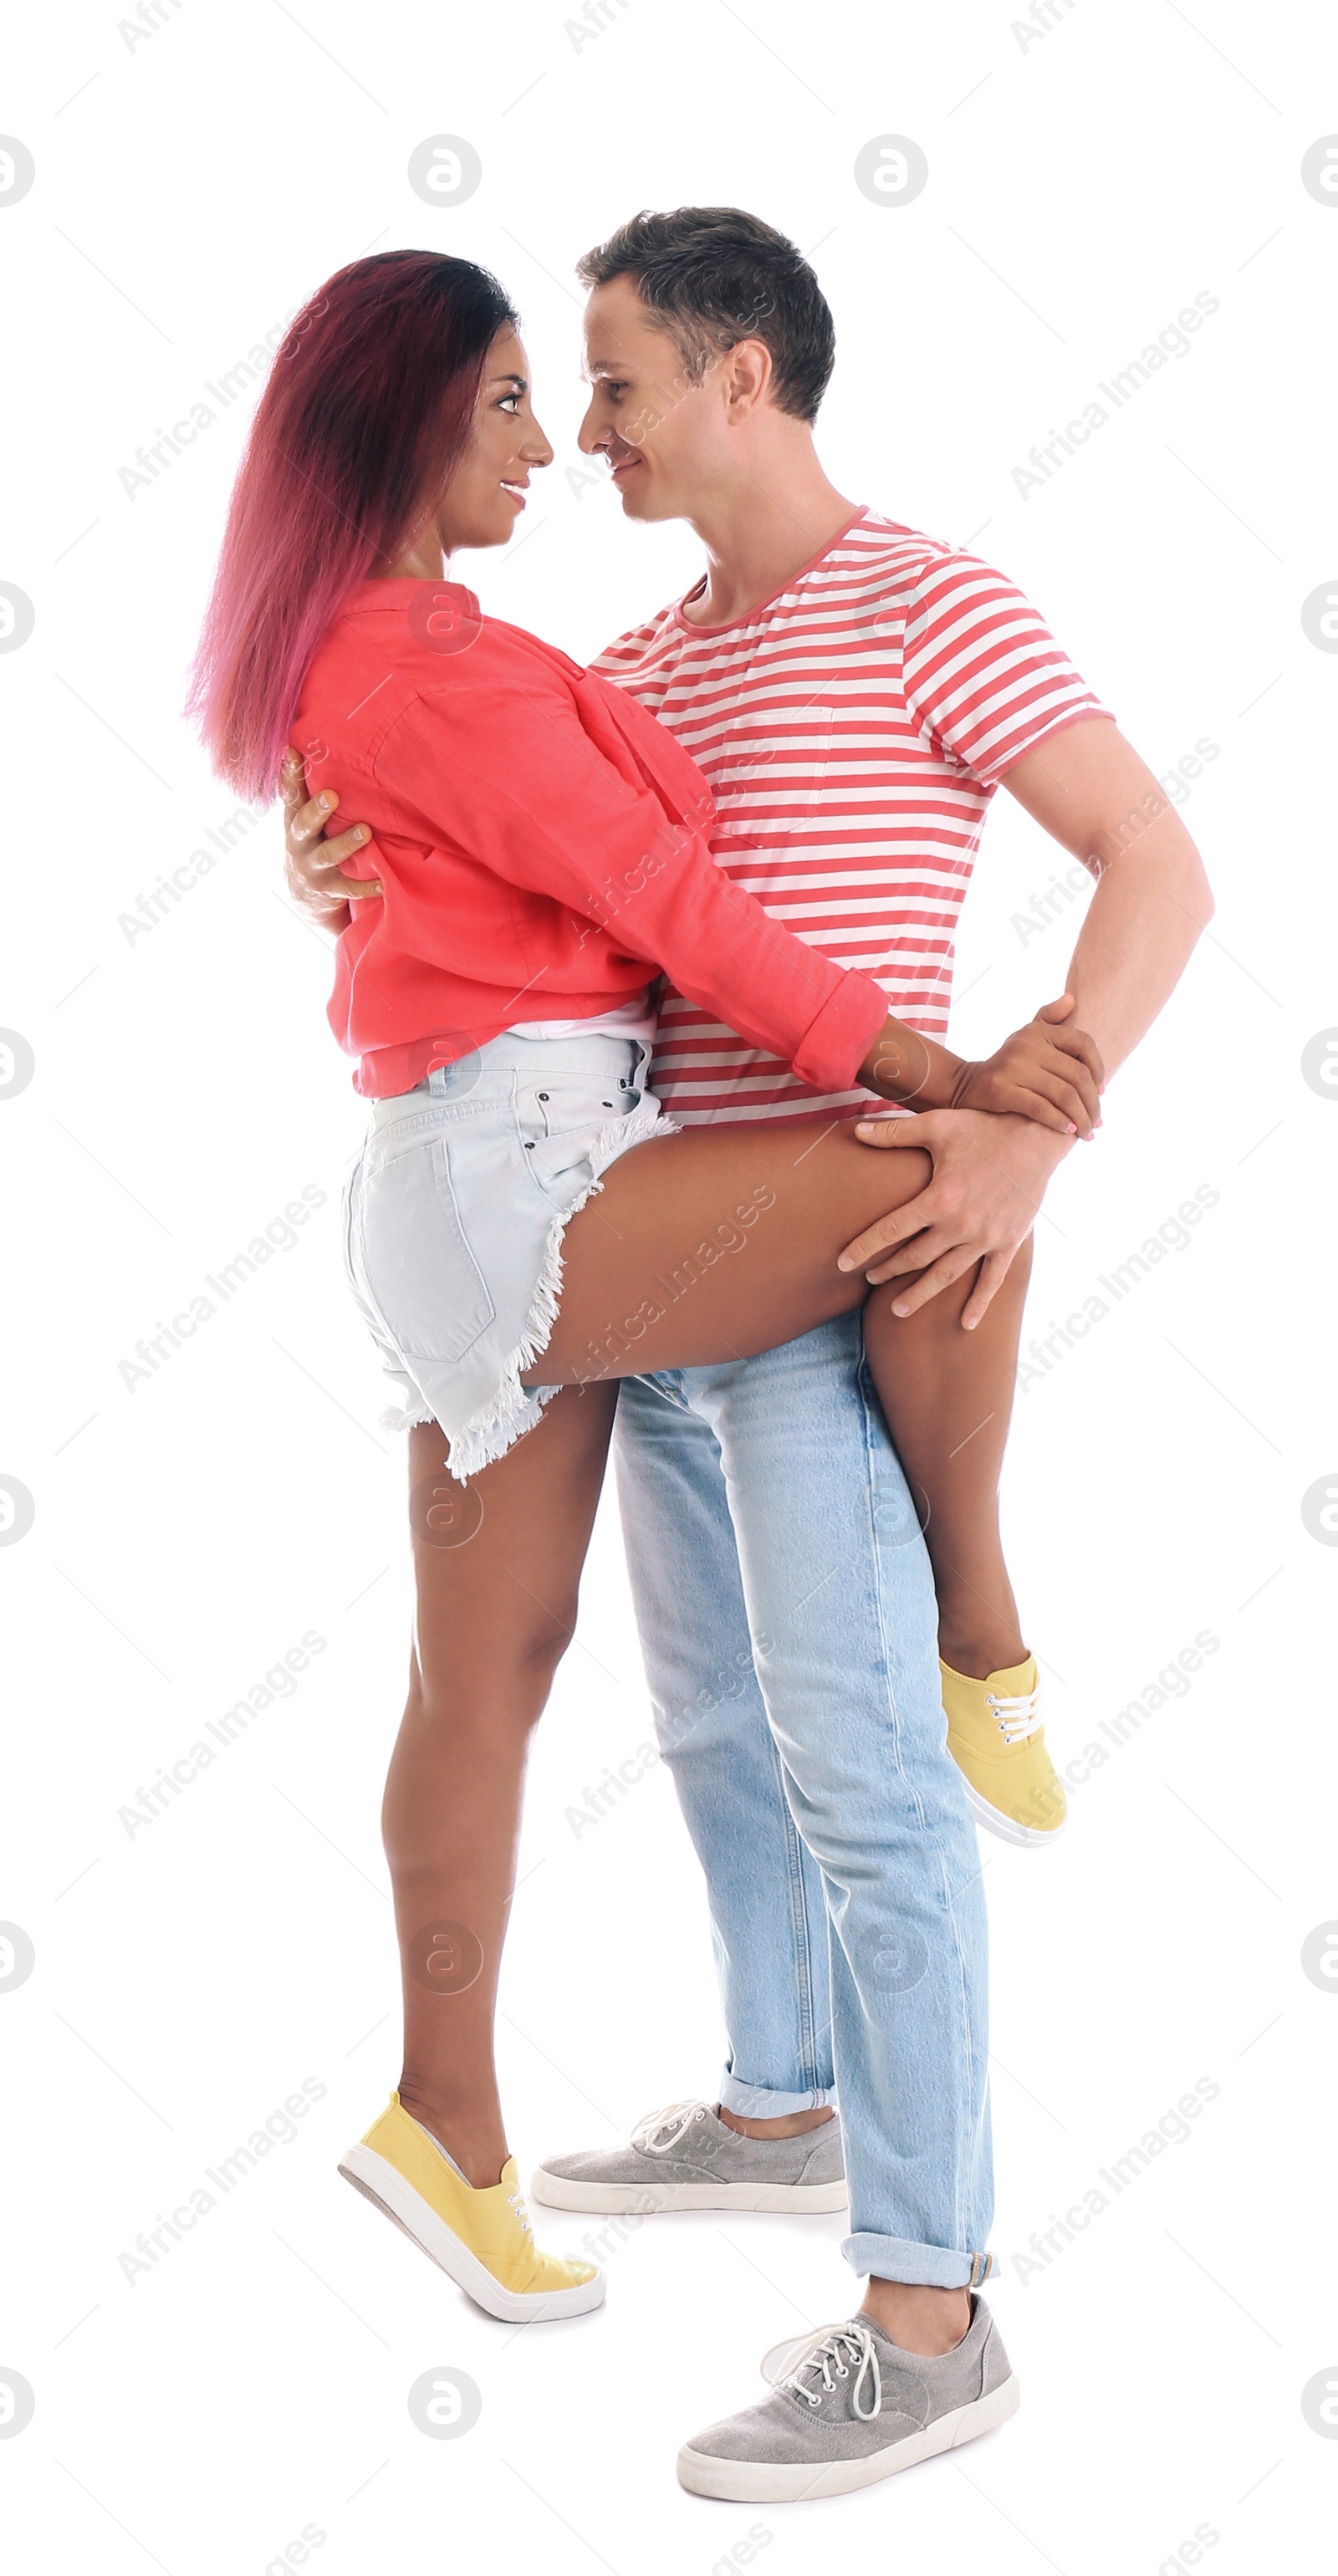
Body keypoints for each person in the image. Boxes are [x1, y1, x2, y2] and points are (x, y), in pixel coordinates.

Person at [258, 234, 1210, 2502]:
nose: (582, 440)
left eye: (610, 390)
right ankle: (781, 2099)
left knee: (868, 1776)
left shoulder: (928, 600)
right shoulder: (634, 661)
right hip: (637, 1251)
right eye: (552, 398)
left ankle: (928, 2303)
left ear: (740, 376)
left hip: (818, 1252)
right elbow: (510, 866)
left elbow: (1159, 860)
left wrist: (1013, 1117)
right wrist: (335, 864)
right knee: (702, 1730)